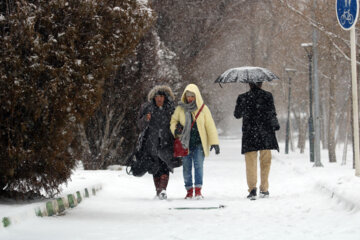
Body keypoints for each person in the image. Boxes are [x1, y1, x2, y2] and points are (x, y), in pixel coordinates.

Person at [170, 83, 220, 199]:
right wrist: (176, 129)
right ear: (185, 96)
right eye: (188, 96)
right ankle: (188, 191)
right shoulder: (180, 109)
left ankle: (198, 191)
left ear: (196, 96)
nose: (190, 98)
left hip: (199, 144)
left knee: (198, 166)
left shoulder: (203, 109)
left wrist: (214, 142)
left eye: (192, 96)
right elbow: (173, 121)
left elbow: (210, 126)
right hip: (185, 144)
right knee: (186, 167)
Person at [234, 82, 280, 200]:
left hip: (250, 134)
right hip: (265, 133)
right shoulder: (268, 96)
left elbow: (237, 115)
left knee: (250, 163)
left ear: (249, 84)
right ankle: (264, 189)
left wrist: (244, 105)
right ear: (261, 84)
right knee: (265, 162)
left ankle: (252, 189)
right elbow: (272, 113)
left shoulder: (243, 97)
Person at [137, 85, 175, 200]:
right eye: (157, 96)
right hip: (151, 143)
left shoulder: (170, 108)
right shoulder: (147, 108)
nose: (159, 99)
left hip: (166, 143)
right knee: (155, 168)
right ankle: (158, 191)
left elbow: (176, 122)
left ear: (165, 97)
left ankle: (163, 190)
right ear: (154, 97)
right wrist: (145, 119)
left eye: (162, 96)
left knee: (165, 166)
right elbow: (139, 125)